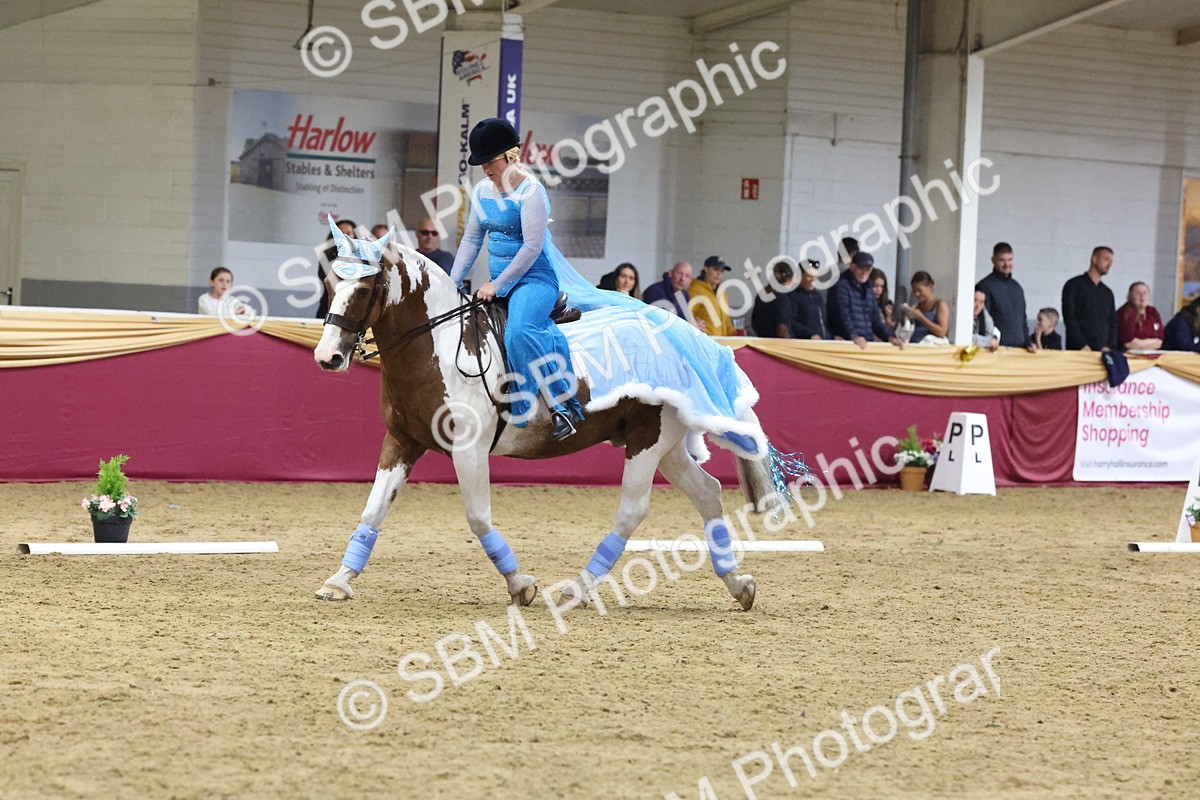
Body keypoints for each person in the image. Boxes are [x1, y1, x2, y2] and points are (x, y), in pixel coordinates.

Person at [448, 118, 585, 441]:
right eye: (481, 163)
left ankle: (563, 405)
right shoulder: (482, 191)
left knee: (519, 331)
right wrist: (451, 280)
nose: (485, 169)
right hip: (500, 282)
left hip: (535, 281)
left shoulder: (531, 192)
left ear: (510, 156)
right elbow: (471, 241)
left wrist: (498, 286)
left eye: (489, 161)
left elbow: (532, 247)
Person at [828, 252, 903, 350]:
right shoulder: (841, 286)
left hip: (866, 344)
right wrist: (853, 336)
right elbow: (842, 316)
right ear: (852, 267)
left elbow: (876, 321)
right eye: (861, 268)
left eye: (867, 269)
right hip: (848, 345)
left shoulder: (868, 290)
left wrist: (890, 337)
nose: (864, 272)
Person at [1062, 246, 1118, 351]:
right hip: (1078, 350)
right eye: (1106, 259)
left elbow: (1112, 322)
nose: (1109, 264)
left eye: (1111, 261)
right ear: (1094, 259)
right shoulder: (1073, 285)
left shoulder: (1107, 293)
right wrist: (1081, 344)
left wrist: (1109, 345)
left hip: (1102, 351)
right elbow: (1069, 317)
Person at [975, 242, 1028, 348]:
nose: (1007, 264)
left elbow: (1023, 320)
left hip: (1019, 350)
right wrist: (989, 342)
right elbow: (982, 320)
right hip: (995, 349)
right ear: (993, 261)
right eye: (1002, 260)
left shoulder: (1017, 287)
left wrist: (1028, 342)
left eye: (1010, 260)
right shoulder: (984, 286)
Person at [318, 218, 357, 319]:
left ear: (355, 236)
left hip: (356, 310)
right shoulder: (326, 258)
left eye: (349, 233)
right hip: (330, 308)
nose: (345, 237)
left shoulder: (366, 258)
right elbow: (330, 281)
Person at [689, 255, 735, 337]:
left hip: (721, 342)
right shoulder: (696, 289)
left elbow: (727, 320)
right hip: (704, 341)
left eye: (722, 271)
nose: (719, 274)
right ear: (706, 269)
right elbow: (687, 314)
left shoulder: (722, 293)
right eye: (716, 269)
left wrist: (734, 335)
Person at [900, 271, 950, 344]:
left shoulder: (939, 305)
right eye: (914, 291)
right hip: (914, 345)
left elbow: (942, 332)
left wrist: (921, 317)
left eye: (920, 290)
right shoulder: (916, 306)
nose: (917, 294)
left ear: (930, 286)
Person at [1116, 281, 1164, 351]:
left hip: (1151, 356)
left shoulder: (1152, 311)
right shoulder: (1125, 312)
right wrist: (1152, 342)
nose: (1142, 296)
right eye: (1138, 293)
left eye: (1145, 293)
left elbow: (1160, 341)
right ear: (1130, 296)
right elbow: (1129, 343)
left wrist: (1140, 344)